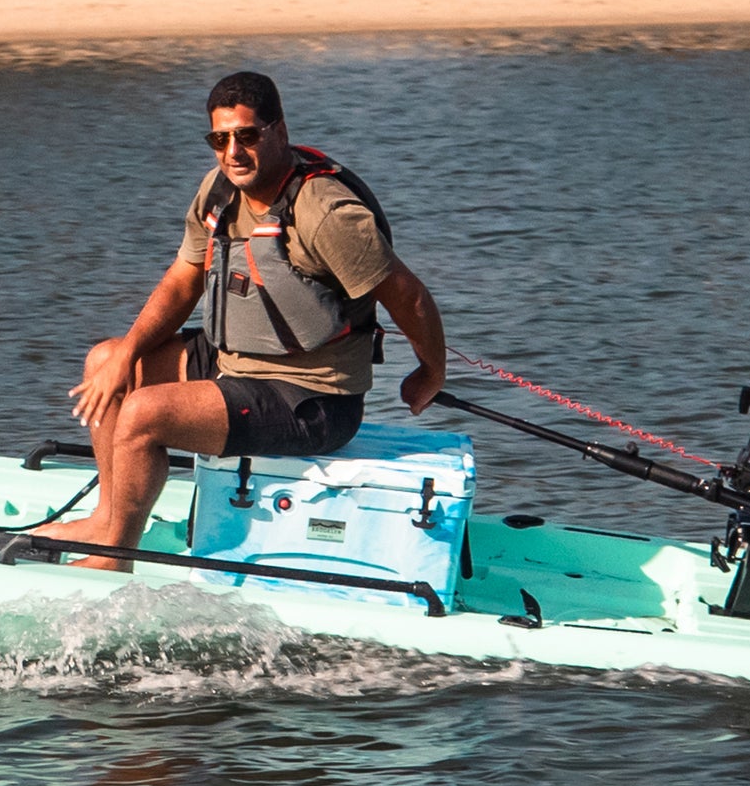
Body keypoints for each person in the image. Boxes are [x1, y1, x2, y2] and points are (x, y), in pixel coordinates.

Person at [41, 70, 447, 571]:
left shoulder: (326, 214)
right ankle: (107, 518)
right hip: (235, 362)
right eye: (220, 138)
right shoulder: (218, 191)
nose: (233, 151)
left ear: (279, 130)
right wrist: (127, 352)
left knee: (144, 414)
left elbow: (409, 297)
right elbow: (184, 279)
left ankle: (115, 555)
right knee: (105, 361)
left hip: (311, 396)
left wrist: (432, 372)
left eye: (247, 135)